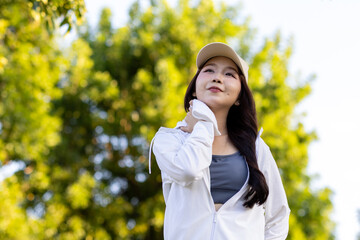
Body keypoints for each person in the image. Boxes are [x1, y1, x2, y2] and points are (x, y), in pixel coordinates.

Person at [148, 42, 290, 240]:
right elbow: (188, 170)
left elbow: (278, 216)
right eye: (209, 70)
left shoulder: (256, 148)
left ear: (240, 96)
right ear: (195, 89)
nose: (217, 77)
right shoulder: (169, 139)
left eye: (229, 74)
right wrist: (205, 122)